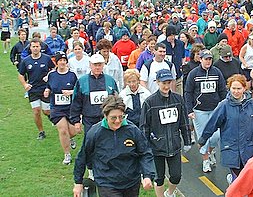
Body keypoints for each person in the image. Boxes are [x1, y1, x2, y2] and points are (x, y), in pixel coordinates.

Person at [73, 95, 156, 197]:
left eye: (121, 117)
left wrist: (147, 175)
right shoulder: (94, 133)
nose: (117, 121)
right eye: (113, 118)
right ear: (105, 116)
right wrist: (78, 182)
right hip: (106, 182)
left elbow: (145, 153)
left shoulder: (133, 130)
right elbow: (83, 156)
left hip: (131, 182)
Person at [199, 74, 253, 184]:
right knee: (239, 180)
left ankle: (233, 182)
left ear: (244, 88)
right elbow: (212, 123)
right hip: (230, 149)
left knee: (246, 177)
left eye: (239, 88)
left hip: (247, 149)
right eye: (233, 88)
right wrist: (202, 140)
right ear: (229, 88)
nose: (236, 91)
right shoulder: (224, 105)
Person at [140, 69, 191, 197]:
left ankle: (170, 193)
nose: (166, 86)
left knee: (176, 176)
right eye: (163, 83)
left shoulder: (178, 99)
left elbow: (184, 122)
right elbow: (144, 126)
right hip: (156, 147)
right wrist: (144, 147)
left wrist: (187, 140)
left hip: (174, 145)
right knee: (159, 177)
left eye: (169, 82)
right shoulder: (149, 102)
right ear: (157, 82)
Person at [184, 49, 227, 173]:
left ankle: (210, 150)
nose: (208, 61)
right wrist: (189, 109)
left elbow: (222, 90)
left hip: (215, 109)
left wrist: (224, 106)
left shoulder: (217, 72)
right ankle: (205, 160)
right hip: (199, 111)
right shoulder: (194, 74)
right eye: (206, 59)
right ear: (200, 59)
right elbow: (188, 92)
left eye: (210, 59)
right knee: (204, 136)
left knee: (216, 135)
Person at [70, 53, 119, 134]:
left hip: (107, 119)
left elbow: (116, 100)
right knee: (90, 142)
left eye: (99, 65)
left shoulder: (110, 80)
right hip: (89, 119)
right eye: (95, 65)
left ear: (103, 65)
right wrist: (76, 121)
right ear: (90, 65)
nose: (97, 67)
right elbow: (76, 101)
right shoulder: (82, 81)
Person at [44, 52, 79, 164]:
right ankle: (67, 155)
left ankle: (70, 138)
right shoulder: (52, 75)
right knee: (63, 130)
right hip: (56, 108)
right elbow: (48, 86)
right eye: (60, 61)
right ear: (57, 63)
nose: (62, 62)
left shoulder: (72, 75)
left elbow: (78, 90)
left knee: (74, 131)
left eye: (64, 60)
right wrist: (47, 91)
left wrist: (71, 92)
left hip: (70, 107)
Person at [18, 38, 55, 140]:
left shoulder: (47, 58)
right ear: (30, 48)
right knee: (36, 111)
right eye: (33, 46)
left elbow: (54, 69)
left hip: (45, 89)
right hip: (33, 90)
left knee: (46, 111)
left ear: (40, 47)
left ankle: (56, 119)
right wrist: (25, 84)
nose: (35, 48)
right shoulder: (26, 61)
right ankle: (41, 132)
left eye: (37, 46)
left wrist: (49, 75)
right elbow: (20, 75)